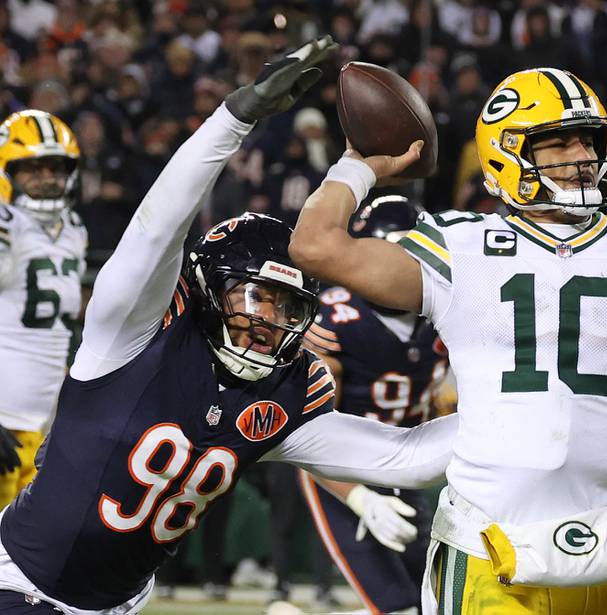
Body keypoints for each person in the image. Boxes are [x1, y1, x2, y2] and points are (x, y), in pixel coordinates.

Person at [290, 66, 607, 615]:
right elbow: (316, 246)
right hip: (489, 548)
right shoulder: (459, 247)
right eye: (557, 143)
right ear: (506, 155)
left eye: (589, 139)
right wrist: (358, 165)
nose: (582, 155)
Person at [0, 37, 458, 615]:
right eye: (257, 295)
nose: (270, 319)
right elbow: (154, 228)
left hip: (120, 603)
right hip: (19, 585)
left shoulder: (281, 395)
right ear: (210, 287)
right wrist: (233, 117)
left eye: (288, 307)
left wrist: (538, 408)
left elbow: (408, 459)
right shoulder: (135, 336)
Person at [299, 194, 450, 615]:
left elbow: (448, 399)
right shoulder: (335, 321)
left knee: (436, 604)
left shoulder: (444, 312)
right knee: (398, 605)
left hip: (411, 468)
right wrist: (360, 498)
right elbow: (309, 435)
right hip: (344, 473)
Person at [0, 109, 86, 509]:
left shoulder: (74, 228)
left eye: (55, 167)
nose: (47, 178)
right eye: (33, 169)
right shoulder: (6, 223)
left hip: (45, 418)